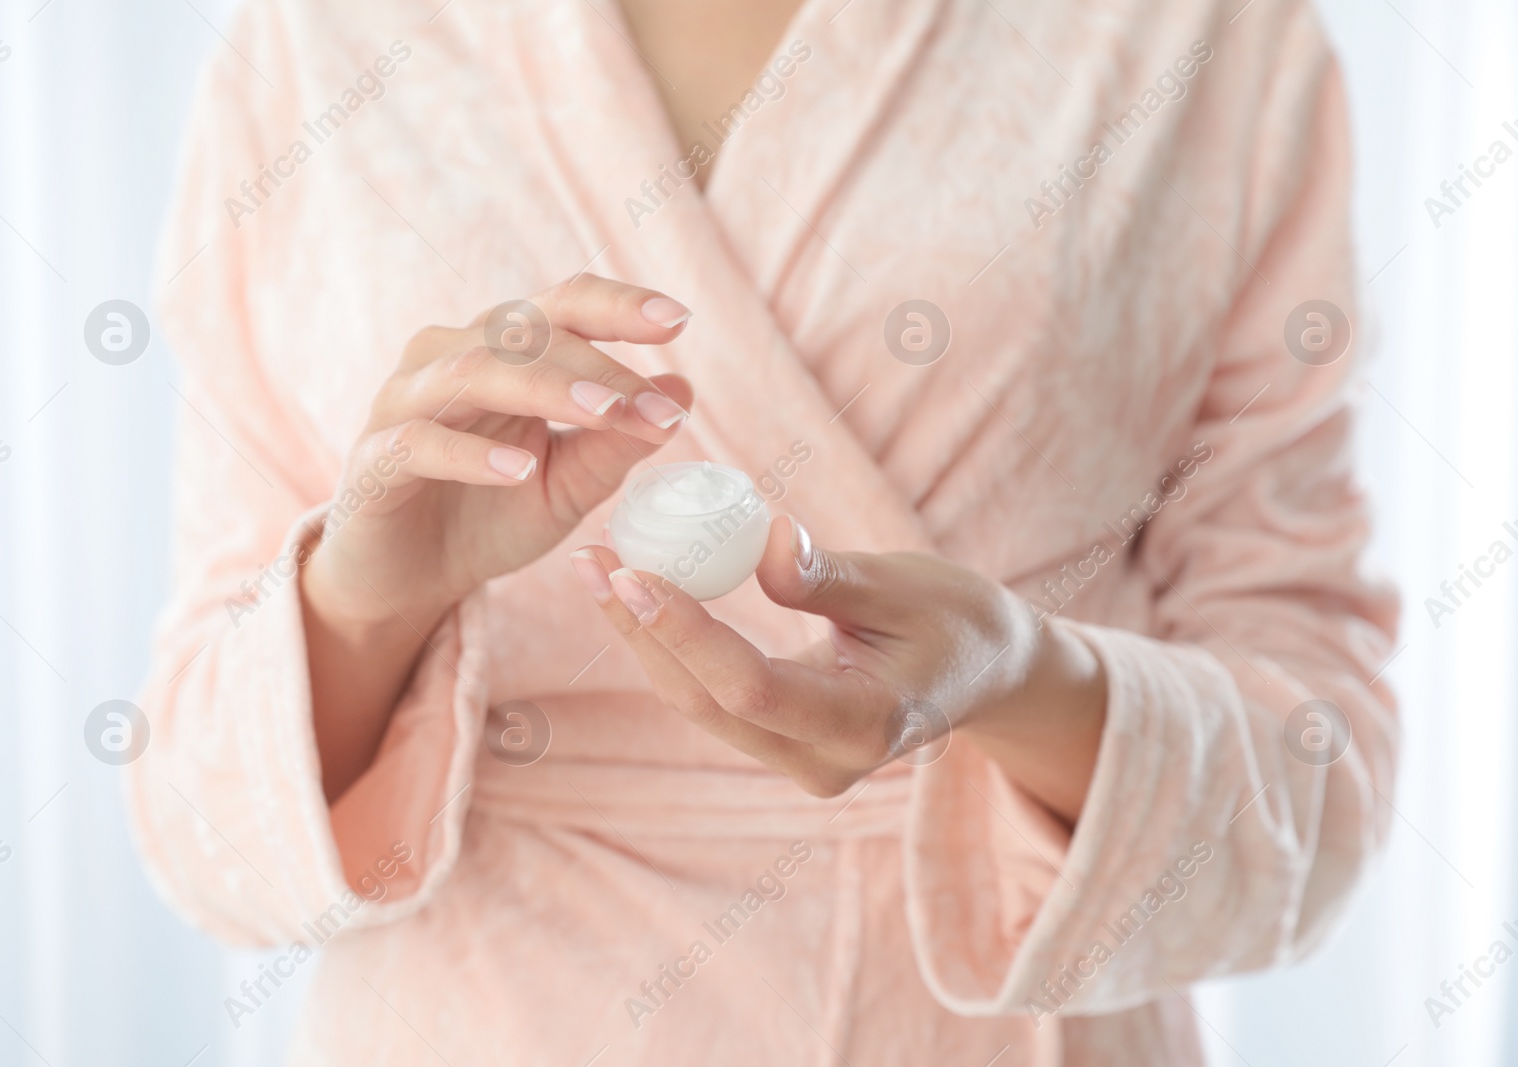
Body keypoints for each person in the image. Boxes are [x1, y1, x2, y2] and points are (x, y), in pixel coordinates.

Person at [132, 0, 1399, 1062]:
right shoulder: (312, 41)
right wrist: (362, 604)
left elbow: (1321, 778)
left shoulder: (1199, 34)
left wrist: (1024, 682)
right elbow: (198, 831)